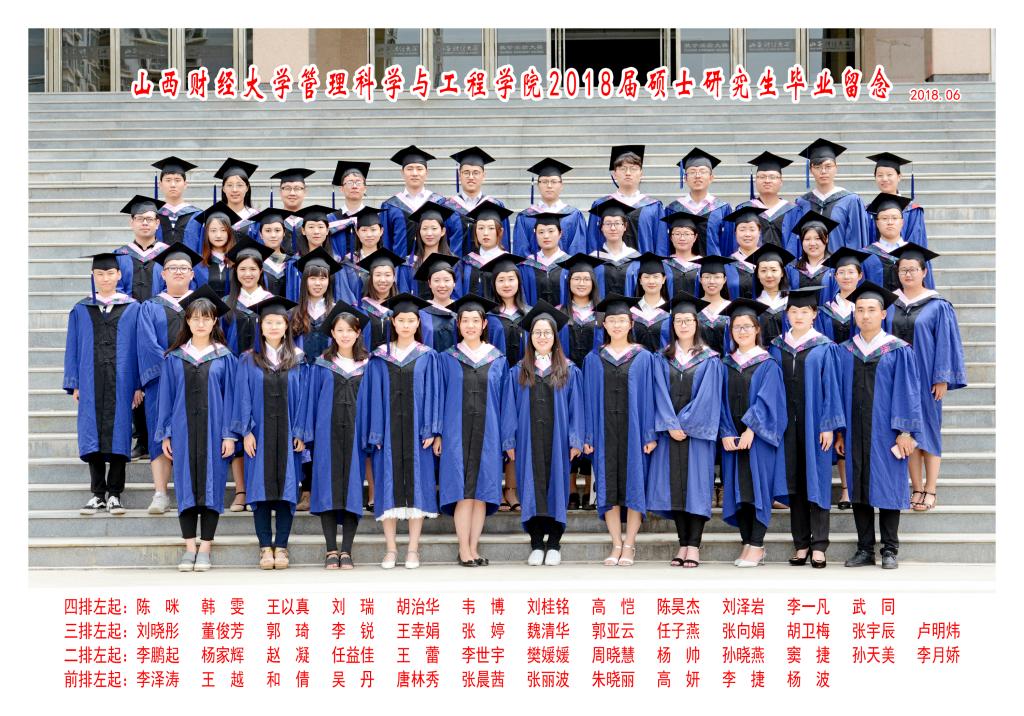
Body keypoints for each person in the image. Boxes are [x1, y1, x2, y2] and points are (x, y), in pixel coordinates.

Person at [582, 294, 679, 566]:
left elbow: (650, 398)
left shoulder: (644, 357)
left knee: (635, 487)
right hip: (604, 433)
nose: (616, 325)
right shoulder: (593, 359)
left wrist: (650, 434)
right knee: (608, 488)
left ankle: (630, 544)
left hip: (635, 433)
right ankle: (616, 543)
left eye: (621, 320)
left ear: (631, 323)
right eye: (611, 320)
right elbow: (588, 399)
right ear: (604, 324)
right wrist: (588, 435)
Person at [836, 282, 923, 570]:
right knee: (859, 487)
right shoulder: (846, 350)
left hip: (887, 431)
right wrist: (840, 431)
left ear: (883, 314)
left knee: (887, 486)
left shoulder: (897, 350)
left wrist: (905, 431)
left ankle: (889, 549)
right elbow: (839, 392)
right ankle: (864, 549)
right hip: (854, 430)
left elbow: (907, 391)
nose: (865, 315)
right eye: (860, 310)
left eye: (871, 310)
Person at [155, 286, 237, 572]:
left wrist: (229, 434)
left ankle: (206, 548)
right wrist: (166, 432)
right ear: (187, 321)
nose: (201, 323)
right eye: (195, 318)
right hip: (182, 430)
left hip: (215, 431)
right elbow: (166, 398)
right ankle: (189, 547)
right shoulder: (175, 357)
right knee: (186, 487)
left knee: (212, 487)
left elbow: (231, 398)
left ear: (215, 322)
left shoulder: (225, 357)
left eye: (206, 318)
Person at [360, 293, 443, 570]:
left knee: (419, 488)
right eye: (401, 320)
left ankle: (413, 550)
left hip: (419, 434)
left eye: (411, 320)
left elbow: (434, 394)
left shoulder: (428, 356)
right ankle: (391, 549)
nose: (406, 325)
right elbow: (373, 397)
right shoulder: (379, 358)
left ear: (418, 323)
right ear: (393, 322)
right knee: (387, 488)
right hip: (388, 433)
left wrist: (432, 429)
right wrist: (375, 432)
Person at [768, 287, 845, 569]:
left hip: (815, 425)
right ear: (787, 314)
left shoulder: (824, 346)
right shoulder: (777, 346)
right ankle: (801, 544)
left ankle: (819, 545)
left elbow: (831, 388)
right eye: (793, 311)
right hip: (786, 426)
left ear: (814, 314)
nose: (798, 316)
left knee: (818, 480)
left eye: (804, 311)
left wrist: (829, 426)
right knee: (794, 482)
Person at [437, 294, 516, 566]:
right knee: (462, 491)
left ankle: (474, 547)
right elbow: (439, 397)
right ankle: (463, 549)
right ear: (458, 324)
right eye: (465, 321)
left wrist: (507, 438)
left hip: (489, 433)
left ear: (484, 324)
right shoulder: (447, 358)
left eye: (475, 321)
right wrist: (437, 432)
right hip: (455, 433)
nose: (470, 325)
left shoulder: (497, 359)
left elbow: (506, 402)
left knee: (482, 492)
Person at [887, 243, 967, 511]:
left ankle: (930, 489)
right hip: (897, 377)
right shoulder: (890, 303)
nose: (908, 274)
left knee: (929, 430)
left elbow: (945, 342)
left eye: (913, 269)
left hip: (926, 377)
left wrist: (942, 377)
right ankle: (916, 488)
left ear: (924, 272)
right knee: (905, 429)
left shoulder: (937, 305)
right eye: (903, 270)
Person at [646, 292, 722, 567]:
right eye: (679, 320)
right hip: (670, 434)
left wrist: (686, 425)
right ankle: (682, 545)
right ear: (672, 324)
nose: (684, 325)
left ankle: (694, 546)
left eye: (688, 320)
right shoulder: (661, 358)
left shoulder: (710, 358)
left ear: (697, 323)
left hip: (697, 434)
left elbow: (709, 396)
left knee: (696, 489)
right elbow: (657, 393)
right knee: (675, 490)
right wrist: (670, 425)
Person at [65, 253, 143, 516]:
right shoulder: (81, 309)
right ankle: (97, 494)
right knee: (91, 434)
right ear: (93, 276)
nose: (105, 278)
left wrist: (138, 384)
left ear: (119, 275)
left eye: (110, 273)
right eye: (100, 274)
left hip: (123, 380)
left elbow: (139, 349)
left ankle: (115, 495)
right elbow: (72, 348)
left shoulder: (133, 308)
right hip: (90, 379)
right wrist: (75, 382)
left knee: (120, 433)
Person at [232, 296, 306, 569]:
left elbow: (304, 398)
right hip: (259, 434)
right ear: (260, 327)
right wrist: (246, 432)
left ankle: (281, 547)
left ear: (287, 326)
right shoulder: (248, 359)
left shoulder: (298, 359)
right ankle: (265, 547)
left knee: (287, 490)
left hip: (288, 434)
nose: (273, 327)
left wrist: (300, 431)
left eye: (278, 322)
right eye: (268, 322)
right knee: (259, 490)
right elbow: (242, 396)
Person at [511, 302, 584, 566]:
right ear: (530, 337)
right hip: (527, 440)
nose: (542, 337)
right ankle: (535, 542)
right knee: (530, 486)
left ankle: (553, 542)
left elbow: (577, 407)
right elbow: (509, 408)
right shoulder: (519, 370)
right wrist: (509, 440)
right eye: (537, 332)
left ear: (555, 337)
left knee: (557, 486)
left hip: (558, 439)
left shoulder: (569, 370)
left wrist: (575, 438)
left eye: (547, 332)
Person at [718, 298, 787, 567]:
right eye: (737, 327)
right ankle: (747, 543)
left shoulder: (768, 363)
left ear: (757, 329)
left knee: (758, 489)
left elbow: (769, 400)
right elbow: (719, 401)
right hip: (732, 437)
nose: (742, 331)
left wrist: (751, 429)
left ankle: (757, 545)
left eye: (747, 326)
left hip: (757, 438)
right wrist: (726, 431)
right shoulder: (726, 363)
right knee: (739, 491)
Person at [304, 300, 372, 570]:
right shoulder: (322, 364)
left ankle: (347, 550)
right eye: (340, 330)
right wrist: (306, 434)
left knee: (352, 489)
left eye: (350, 330)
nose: (345, 335)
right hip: (326, 435)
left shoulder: (368, 365)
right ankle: (331, 549)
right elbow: (311, 402)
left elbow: (374, 402)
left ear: (358, 333)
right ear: (332, 333)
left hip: (356, 435)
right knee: (327, 489)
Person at [137, 244, 201, 516]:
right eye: (172, 268)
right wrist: (172, 368)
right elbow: (147, 344)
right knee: (159, 432)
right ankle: (161, 493)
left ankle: (195, 492)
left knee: (197, 432)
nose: (178, 272)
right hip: (161, 381)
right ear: (162, 274)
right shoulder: (150, 307)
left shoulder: (202, 305)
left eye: (184, 268)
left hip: (197, 379)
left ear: (192, 274)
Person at [290, 247, 344, 511]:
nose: (318, 283)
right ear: (304, 281)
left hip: (327, 380)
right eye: (313, 278)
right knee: (303, 433)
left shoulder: (337, 312)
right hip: (300, 379)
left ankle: (326, 488)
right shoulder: (293, 314)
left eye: (323, 278)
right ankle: (307, 490)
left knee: (324, 432)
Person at [557, 254, 606, 511]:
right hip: (565, 379)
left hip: (596, 380)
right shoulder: (559, 313)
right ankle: (569, 490)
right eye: (576, 278)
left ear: (593, 282)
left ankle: (589, 489)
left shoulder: (603, 314)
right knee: (569, 427)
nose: (581, 283)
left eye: (586, 279)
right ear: (569, 282)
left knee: (592, 428)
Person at [382, 145, 460, 258]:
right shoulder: (390, 206)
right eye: (409, 169)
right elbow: (386, 242)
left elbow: (448, 238)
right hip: (401, 266)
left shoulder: (439, 202)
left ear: (426, 172)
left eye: (419, 169)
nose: (415, 173)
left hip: (434, 265)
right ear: (402, 172)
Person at [586, 145, 665, 254]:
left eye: (633, 168)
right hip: (608, 264)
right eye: (622, 168)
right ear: (614, 174)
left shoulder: (653, 207)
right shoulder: (601, 205)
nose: (628, 173)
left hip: (644, 264)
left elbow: (661, 244)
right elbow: (592, 242)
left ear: (641, 173)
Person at [794, 138, 868, 252]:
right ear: (811, 170)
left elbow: (856, 240)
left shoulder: (850, 201)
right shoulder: (802, 202)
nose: (823, 171)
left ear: (836, 168)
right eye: (817, 167)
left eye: (828, 166)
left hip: (840, 262)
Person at [446, 147, 512, 257]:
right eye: (466, 172)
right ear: (459, 175)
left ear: (483, 175)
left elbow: (503, 243)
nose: (471, 177)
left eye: (476, 173)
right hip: (457, 266)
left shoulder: (496, 206)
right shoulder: (448, 207)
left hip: (490, 266)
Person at [513, 158, 587, 256]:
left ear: (561, 185)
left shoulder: (573, 215)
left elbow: (577, 249)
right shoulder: (525, 217)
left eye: (554, 181)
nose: (549, 186)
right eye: (544, 181)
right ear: (538, 185)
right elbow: (521, 251)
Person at [862, 192, 936, 291]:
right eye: (884, 218)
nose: (890, 222)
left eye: (894, 218)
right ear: (877, 223)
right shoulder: (865, 255)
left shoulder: (916, 253)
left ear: (902, 222)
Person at [665, 147, 731, 256]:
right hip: (680, 266)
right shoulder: (673, 209)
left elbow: (728, 242)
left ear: (711, 177)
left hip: (713, 265)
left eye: (702, 171)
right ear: (685, 178)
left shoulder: (722, 208)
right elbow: (666, 244)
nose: (697, 176)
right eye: (692, 172)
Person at [289, 205, 356, 304]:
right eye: (311, 227)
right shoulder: (295, 262)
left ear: (327, 230)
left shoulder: (336, 261)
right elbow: (293, 294)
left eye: (320, 227)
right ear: (303, 231)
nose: (316, 232)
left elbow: (342, 295)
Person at [739, 151, 802, 253]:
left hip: (785, 263)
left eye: (772, 177)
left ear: (781, 181)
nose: (767, 181)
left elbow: (795, 244)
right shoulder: (744, 209)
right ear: (755, 181)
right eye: (762, 177)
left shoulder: (793, 211)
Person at [222, 238, 274, 356]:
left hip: (264, 365)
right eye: (242, 269)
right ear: (235, 271)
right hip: (232, 365)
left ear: (261, 271)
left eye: (253, 269)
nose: (247, 274)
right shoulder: (226, 303)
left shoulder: (271, 302)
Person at [113, 194, 170, 302]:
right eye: (139, 218)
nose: (144, 223)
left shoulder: (168, 253)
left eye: (149, 219)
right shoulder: (119, 255)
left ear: (157, 223)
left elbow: (173, 287)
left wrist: (154, 307)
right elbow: (115, 288)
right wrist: (130, 307)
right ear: (132, 223)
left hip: (159, 310)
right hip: (127, 310)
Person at [866, 152, 928, 247]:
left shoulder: (912, 210)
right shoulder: (868, 211)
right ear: (875, 177)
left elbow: (916, 244)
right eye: (880, 175)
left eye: (889, 174)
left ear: (899, 177)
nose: (884, 179)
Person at [328, 160, 388, 259]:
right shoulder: (332, 219)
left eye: (358, 182)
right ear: (341, 189)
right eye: (349, 182)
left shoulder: (375, 218)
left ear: (365, 188)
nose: (354, 186)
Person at [457, 200, 515, 299]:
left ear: (500, 231)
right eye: (481, 228)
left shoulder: (507, 260)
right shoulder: (467, 262)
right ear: (475, 231)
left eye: (491, 228)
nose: (485, 233)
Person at [401, 200, 459, 299]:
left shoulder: (454, 262)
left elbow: (458, 294)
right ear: (419, 232)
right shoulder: (408, 263)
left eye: (434, 228)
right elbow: (404, 294)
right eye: (424, 229)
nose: (429, 233)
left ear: (443, 231)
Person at [589, 197, 641, 296]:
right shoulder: (593, 259)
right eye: (608, 223)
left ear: (625, 226)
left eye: (617, 223)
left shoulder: (636, 258)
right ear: (601, 227)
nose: (613, 228)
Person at [356, 248, 404, 352]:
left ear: (394, 278)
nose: (383, 280)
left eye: (387, 275)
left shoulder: (401, 306)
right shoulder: (360, 307)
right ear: (371, 277)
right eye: (378, 275)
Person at [749, 244, 796, 347]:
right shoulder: (752, 305)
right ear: (757, 274)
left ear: (782, 273)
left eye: (774, 270)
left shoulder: (792, 302)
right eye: (763, 271)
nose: (769, 275)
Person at [520, 212, 571, 306]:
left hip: (564, 314)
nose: (546, 236)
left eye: (551, 231)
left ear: (560, 233)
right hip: (533, 314)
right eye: (541, 232)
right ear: (535, 234)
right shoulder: (527, 265)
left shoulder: (570, 263)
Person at [151, 156, 202, 248]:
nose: (173, 185)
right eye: (168, 180)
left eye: (177, 180)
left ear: (185, 184)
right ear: (160, 185)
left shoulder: (198, 216)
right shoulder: (152, 216)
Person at [191, 203, 240, 297]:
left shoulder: (239, 261)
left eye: (223, 230)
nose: (218, 235)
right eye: (213, 230)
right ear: (206, 233)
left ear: (229, 233)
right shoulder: (197, 264)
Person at [625, 252, 672, 352]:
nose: (651, 281)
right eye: (646, 277)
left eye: (656, 277)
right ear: (640, 280)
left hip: (664, 361)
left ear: (664, 279)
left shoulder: (671, 311)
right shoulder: (630, 311)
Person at [415, 253, 461, 353]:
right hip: (429, 361)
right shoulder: (421, 312)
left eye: (447, 280)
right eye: (436, 280)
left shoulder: (461, 310)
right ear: (429, 283)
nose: (442, 285)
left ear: (454, 283)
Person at [247, 207, 297, 298]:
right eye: (268, 231)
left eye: (277, 230)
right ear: (261, 234)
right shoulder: (254, 261)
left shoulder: (292, 262)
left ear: (284, 233)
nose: (273, 235)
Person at [693, 255, 738, 356]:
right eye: (707, 277)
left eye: (717, 277)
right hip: (698, 363)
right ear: (700, 279)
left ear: (725, 279)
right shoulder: (693, 308)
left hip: (728, 363)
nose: (712, 281)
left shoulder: (732, 308)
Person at [341, 206, 388, 299]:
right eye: (364, 230)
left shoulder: (389, 260)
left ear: (381, 231)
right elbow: (344, 293)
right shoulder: (348, 262)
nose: (369, 234)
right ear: (357, 232)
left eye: (373, 230)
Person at [787, 211, 837, 294]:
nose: (812, 243)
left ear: (826, 238)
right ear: (802, 241)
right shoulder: (792, 268)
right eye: (807, 239)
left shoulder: (836, 267)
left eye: (817, 238)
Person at [212, 158, 260, 243]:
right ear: (223, 188)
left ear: (247, 188)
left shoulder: (256, 217)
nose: (234, 190)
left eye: (239, 185)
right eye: (229, 185)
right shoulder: (213, 216)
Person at [722, 205, 765, 298]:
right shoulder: (727, 265)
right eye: (742, 229)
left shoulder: (768, 261)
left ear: (759, 232)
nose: (747, 234)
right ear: (735, 233)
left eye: (752, 229)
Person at [661, 211, 706, 296]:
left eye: (687, 234)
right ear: (671, 237)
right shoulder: (663, 264)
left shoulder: (703, 263)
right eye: (677, 234)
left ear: (695, 237)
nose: (682, 238)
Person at [270, 168, 315, 254]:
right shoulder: (270, 222)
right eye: (287, 188)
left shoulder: (313, 222)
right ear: (280, 192)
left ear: (305, 192)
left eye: (297, 188)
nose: (292, 193)